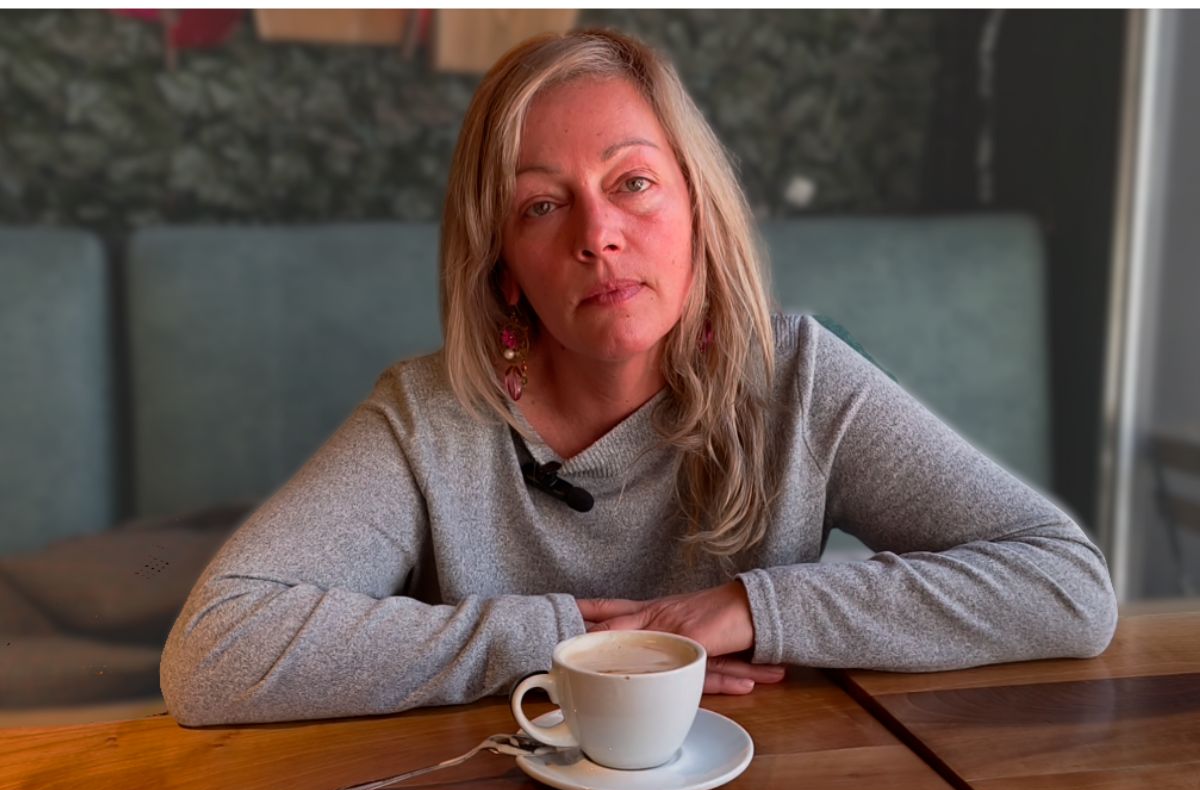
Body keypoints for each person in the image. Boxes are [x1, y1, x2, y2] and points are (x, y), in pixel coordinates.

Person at [160, 29, 1117, 726]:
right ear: (505, 266)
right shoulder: (430, 418)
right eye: (542, 206)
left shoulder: (800, 380)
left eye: (633, 182)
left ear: (696, 206)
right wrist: (562, 645)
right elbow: (214, 653)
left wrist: (749, 608)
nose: (598, 236)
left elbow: (1066, 583)